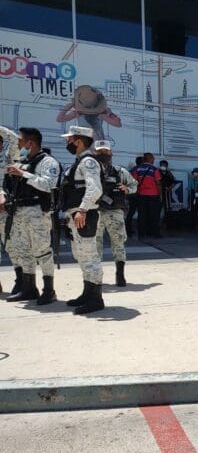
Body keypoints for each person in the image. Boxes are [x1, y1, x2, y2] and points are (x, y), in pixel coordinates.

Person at [4, 127, 61, 305]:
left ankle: (49, 290)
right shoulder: (21, 161)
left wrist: (24, 174)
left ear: (30, 143)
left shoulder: (48, 162)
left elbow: (49, 183)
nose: (18, 144)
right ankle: (29, 289)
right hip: (19, 212)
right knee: (23, 251)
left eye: (20, 142)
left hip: (37, 212)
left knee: (42, 252)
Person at [60, 126, 105, 315]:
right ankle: (87, 293)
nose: (67, 143)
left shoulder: (88, 162)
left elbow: (95, 189)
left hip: (84, 214)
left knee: (90, 257)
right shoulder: (78, 161)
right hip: (76, 215)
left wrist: (83, 209)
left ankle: (96, 299)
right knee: (81, 256)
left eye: (70, 140)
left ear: (79, 140)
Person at [94, 140, 137, 286]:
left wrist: (127, 188)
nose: (103, 154)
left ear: (111, 153)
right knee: (95, 246)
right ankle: (97, 277)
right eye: (100, 152)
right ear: (94, 153)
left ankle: (120, 275)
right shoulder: (91, 172)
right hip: (96, 212)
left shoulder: (120, 171)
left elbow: (134, 185)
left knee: (118, 244)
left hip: (115, 212)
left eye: (105, 151)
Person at [0, 125, 23, 295]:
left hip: (4, 210)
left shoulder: (8, 159)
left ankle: (21, 281)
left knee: (12, 246)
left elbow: (15, 140)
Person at [131, 153, 162, 239]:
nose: (154, 160)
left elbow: (134, 183)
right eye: (153, 159)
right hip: (153, 195)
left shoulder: (137, 169)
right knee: (154, 215)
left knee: (142, 215)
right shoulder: (154, 169)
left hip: (141, 195)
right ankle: (155, 233)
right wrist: (160, 194)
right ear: (150, 159)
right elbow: (158, 183)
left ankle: (141, 234)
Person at [125, 156, 143, 236]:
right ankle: (141, 229)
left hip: (131, 194)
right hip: (138, 193)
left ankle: (128, 229)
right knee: (141, 212)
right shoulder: (139, 170)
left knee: (131, 212)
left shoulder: (132, 170)